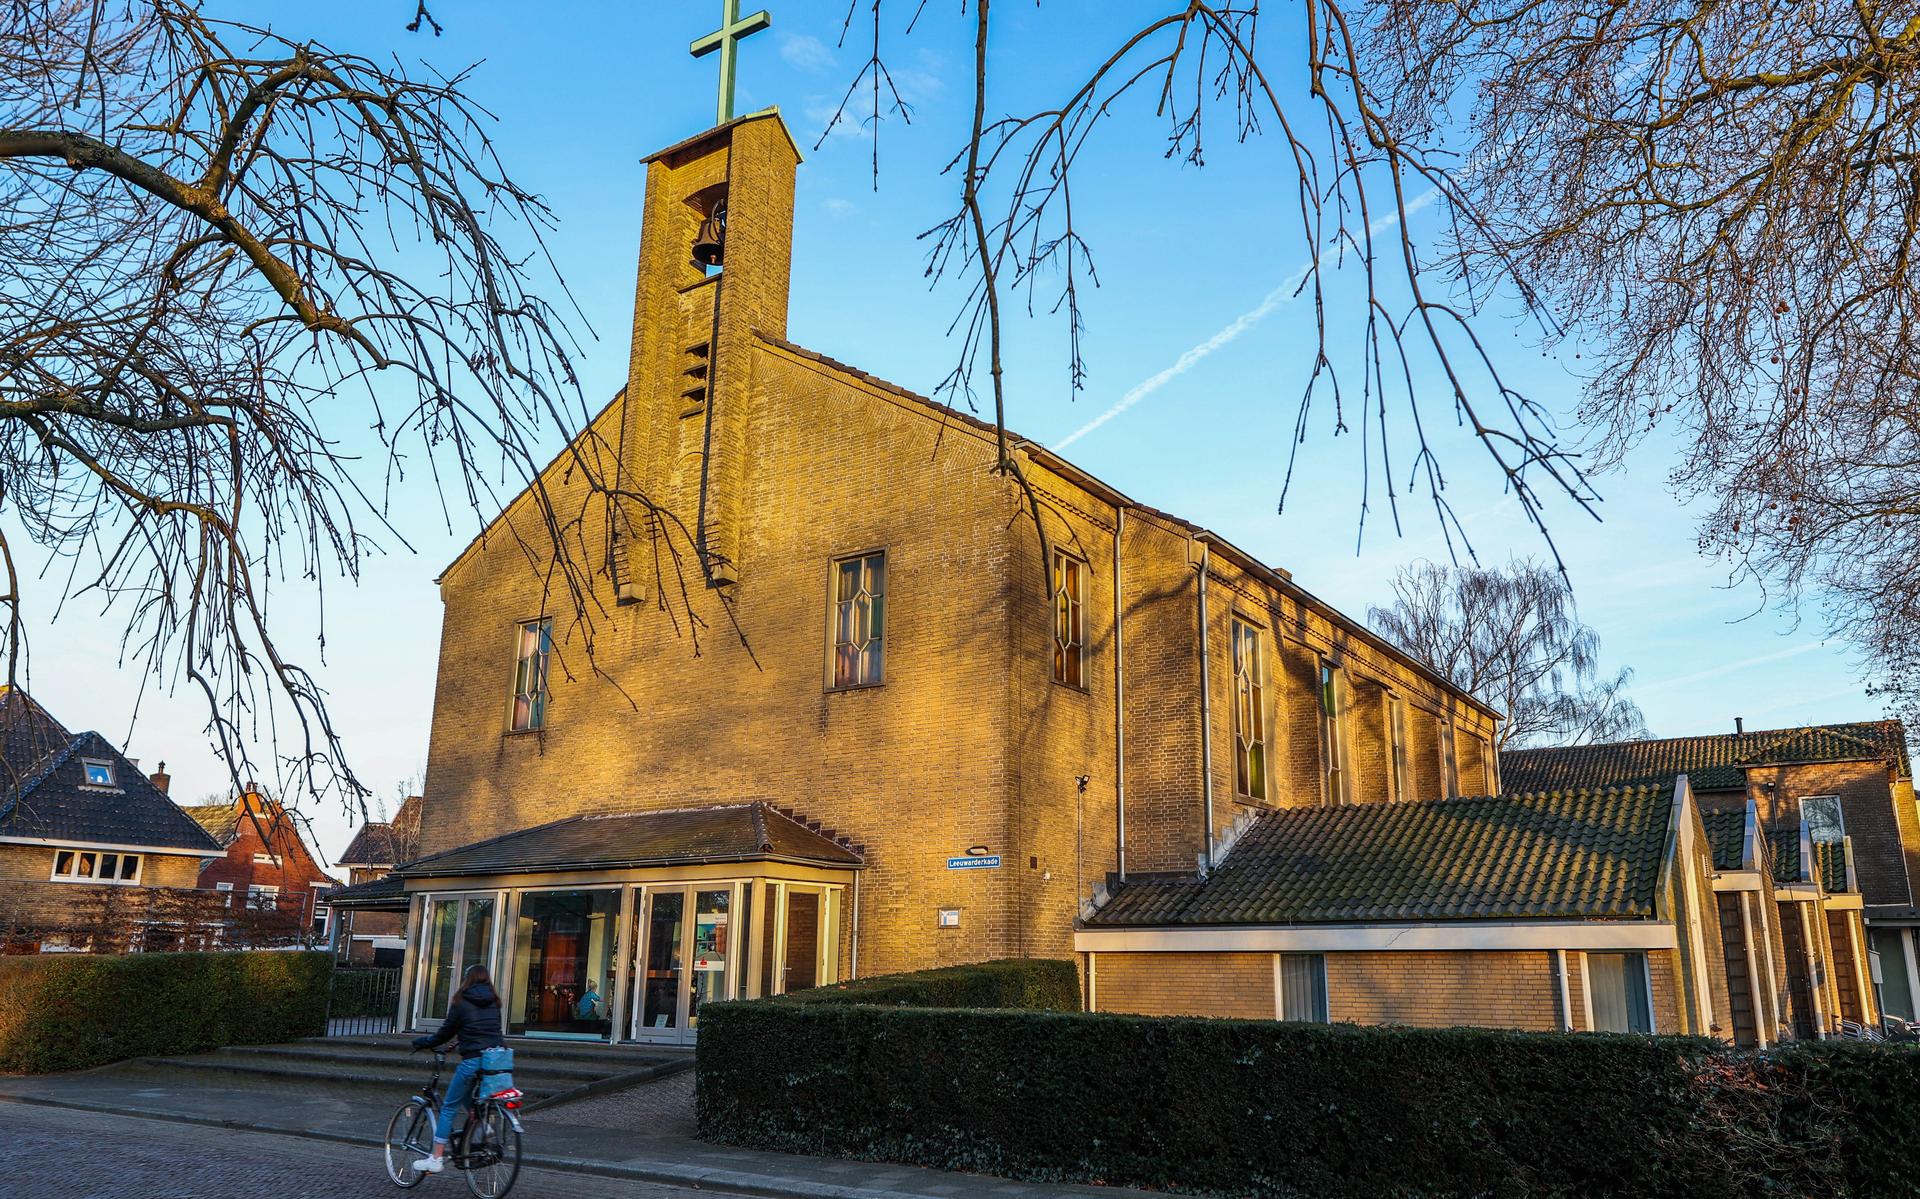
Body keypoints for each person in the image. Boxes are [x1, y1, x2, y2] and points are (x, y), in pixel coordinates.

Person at [410, 963, 506, 1174]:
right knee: (467, 1096)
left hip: (472, 1060)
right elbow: (491, 1031)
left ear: (466, 979)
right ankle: (484, 1126)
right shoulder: (494, 1001)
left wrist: (425, 1041)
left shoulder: (461, 1001)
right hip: (493, 1061)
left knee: (449, 1107)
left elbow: (445, 1032)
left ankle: (436, 1158)